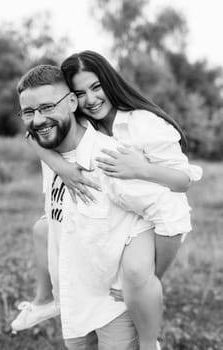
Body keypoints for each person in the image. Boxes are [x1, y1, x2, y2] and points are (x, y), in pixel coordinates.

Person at [12, 53, 202, 349]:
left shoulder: (142, 124)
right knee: (43, 228)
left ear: (110, 82)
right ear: (72, 100)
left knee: (138, 274)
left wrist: (142, 169)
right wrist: (61, 167)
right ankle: (43, 298)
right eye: (79, 93)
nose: (90, 99)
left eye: (96, 87)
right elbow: (35, 131)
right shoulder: (80, 122)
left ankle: (150, 342)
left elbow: (183, 182)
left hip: (161, 197)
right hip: (123, 203)